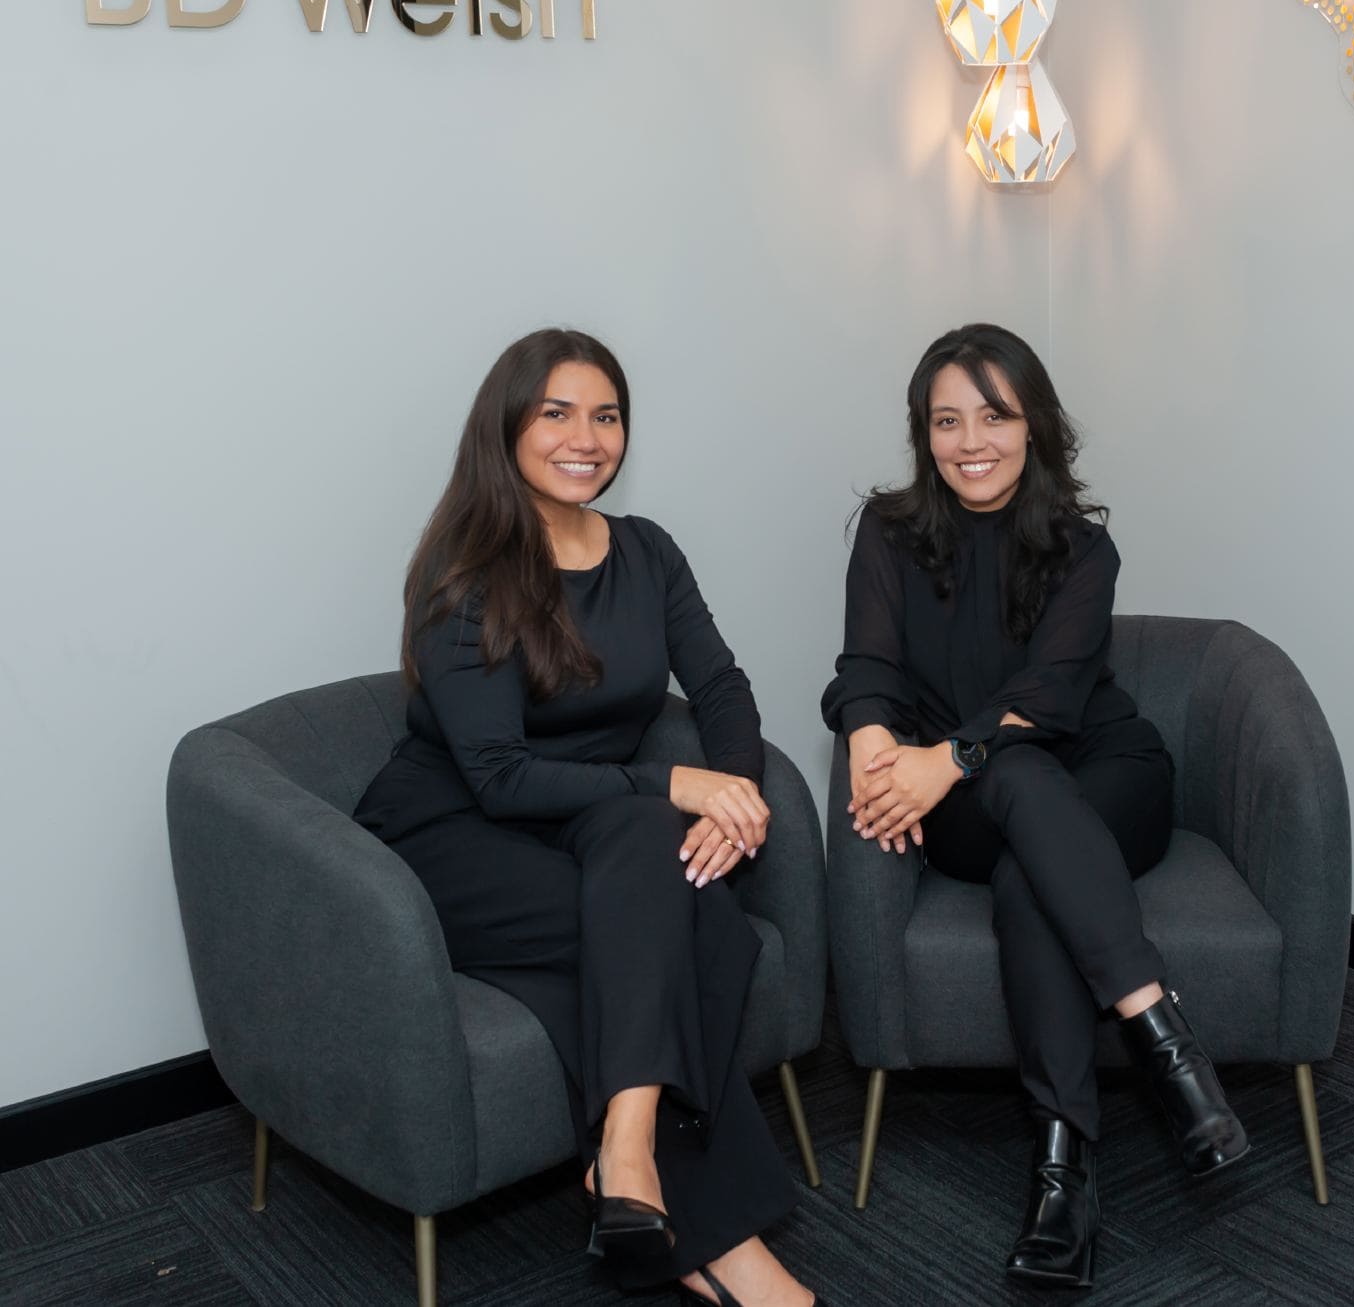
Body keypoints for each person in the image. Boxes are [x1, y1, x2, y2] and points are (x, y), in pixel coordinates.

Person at [354, 329, 818, 1307]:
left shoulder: (645, 551)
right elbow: (497, 776)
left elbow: (723, 690)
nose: (585, 435)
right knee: (694, 923)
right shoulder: (466, 569)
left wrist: (729, 794)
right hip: (451, 837)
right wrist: (672, 787)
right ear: (507, 427)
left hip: (588, 831)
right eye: (556, 411)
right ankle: (729, 1248)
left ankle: (627, 1159)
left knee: (652, 889)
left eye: (605, 414)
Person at [820, 322, 1248, 1289]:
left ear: (1034, 424)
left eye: (995, 415)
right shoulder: (887, 534)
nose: (970, 440)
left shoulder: (1082, 547)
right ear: (921, 434)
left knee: (1028, 854)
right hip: (976, 794)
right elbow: (865, 668)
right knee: (1011, 785)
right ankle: (1164, 1039)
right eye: (945, 420)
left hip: (1106, 775)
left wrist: (948, 756)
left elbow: (1051, 701)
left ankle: (1063, 1172)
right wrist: (874, 741)